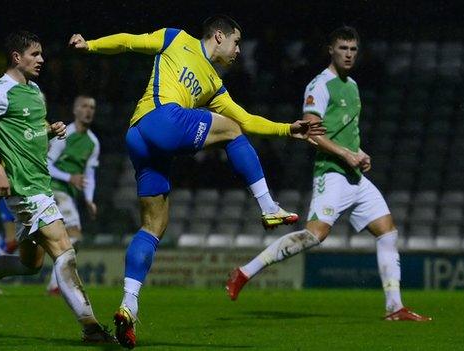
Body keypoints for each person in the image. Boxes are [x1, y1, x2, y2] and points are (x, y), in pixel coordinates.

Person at [69, 14, 325, 348]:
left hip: (138, 137)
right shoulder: (176, 38)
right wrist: (91, 45)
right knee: (229, 131)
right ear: (218, 36)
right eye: (235, 42)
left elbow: (246, 119)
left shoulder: (214, 85)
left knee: (154, 226)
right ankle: (268, 206)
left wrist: (287, 129)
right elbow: (131, 40)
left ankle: (128, 304)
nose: (238, 51)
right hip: (162, 120)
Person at [226, 26, 431, 322]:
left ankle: (395, 307)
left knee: (388, 231)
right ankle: (244, 273)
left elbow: (347, 132)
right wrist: (346, 154)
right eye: (343, 48)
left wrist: (358, 153)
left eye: (353, 49)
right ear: (331, 50)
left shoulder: (353, 85)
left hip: (355, 177)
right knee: (314, 236)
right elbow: (311, 133)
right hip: (332, 174)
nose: (348, 54)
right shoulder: (320, 85)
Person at [0, 30, 115, 343]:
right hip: (25, 187)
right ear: (16, 58)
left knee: (29, 264)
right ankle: (91, 328)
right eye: (35, 54)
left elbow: (29, 135)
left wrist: (51, 131)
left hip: (39, 184)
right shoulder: (0, 90)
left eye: (42, 54)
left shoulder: (33, 91)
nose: (42, 60)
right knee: (64, 250)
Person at [45, 95, 100, 295]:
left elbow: (89, 174)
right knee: (74, 234)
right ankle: (56, 283)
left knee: (56, 241)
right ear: (75, 110)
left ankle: (55, 283)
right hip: (53, 189)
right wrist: (69, 177)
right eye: (84, 106)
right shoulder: (64, 134)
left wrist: (89, 199)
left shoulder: (93, 142)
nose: (88, 110)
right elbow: (47, 165)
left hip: (66, 192)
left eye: (92, 107)